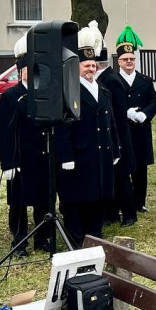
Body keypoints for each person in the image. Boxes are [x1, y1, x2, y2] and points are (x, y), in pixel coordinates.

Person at [54, 26, 121, 245]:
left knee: (97, 200)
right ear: (77, 67)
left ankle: (95, 239)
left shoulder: (103, 91)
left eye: (93, 65)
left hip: (100, 155)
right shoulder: (68, 91)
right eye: (86, 65)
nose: (90, 69)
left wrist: (115, 149)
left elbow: (111, 123)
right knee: (77, 202)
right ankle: (76, 242)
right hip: (79, 157)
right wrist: (65, 156)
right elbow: (62, 127)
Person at [0, 34, 56, 256]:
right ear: (20, 71)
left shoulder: (45, 93)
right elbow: (4, 132)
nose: (31, 74)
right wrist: (8, 163)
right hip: (20, 158)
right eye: (26, 70)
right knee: (19, 203)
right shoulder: (11, 96)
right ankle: (20, 241)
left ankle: (42, 239)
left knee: (43, 201)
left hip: (42, 156)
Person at [113, 26, 156, 214]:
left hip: (140, 129)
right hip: (123, 130)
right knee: (123, 167)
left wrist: (144, 114)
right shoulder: (113, 80)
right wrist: (125, 112)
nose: (129, 62)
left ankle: (139, 202)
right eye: (125, 60)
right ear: (119, 62)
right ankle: (124, 203)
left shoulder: (145, 80)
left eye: (132, 59)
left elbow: (154, 101)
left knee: (140, 167)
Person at [94, 29, 137, 227]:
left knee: (121, 178)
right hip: (112, 137)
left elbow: (118, 114)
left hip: (118, 136)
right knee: (111, 177)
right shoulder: (105, 79)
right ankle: (111, 214)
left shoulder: (110, 80)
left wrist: (116, 141)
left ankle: (129, 214)